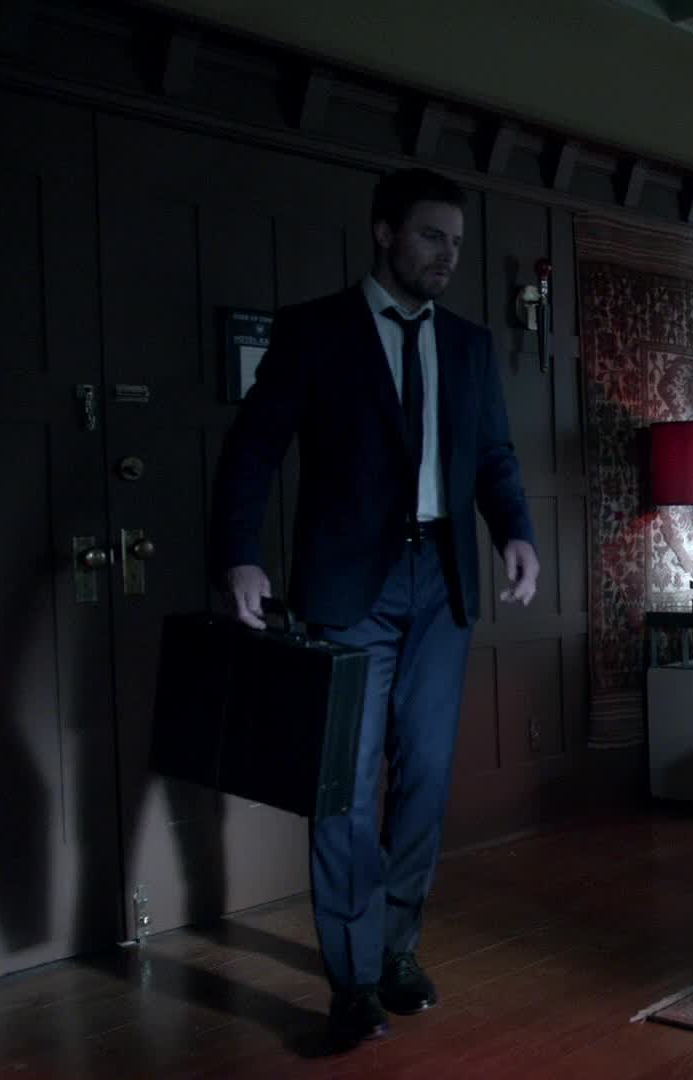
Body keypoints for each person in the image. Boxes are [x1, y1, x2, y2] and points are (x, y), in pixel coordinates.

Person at [211, 167, 539, 1044]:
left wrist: (516, 531)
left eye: (457, 243)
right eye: (432, 236)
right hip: (348, 588)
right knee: (346, 787)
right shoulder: (315, 331)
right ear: (385, 233)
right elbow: (252, 450)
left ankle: (397, 951)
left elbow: (495, 456)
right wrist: (240, 556)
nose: (447, 256)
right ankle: (352, 978)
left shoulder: (468, 345)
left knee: (424, 776)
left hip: (442, 585)